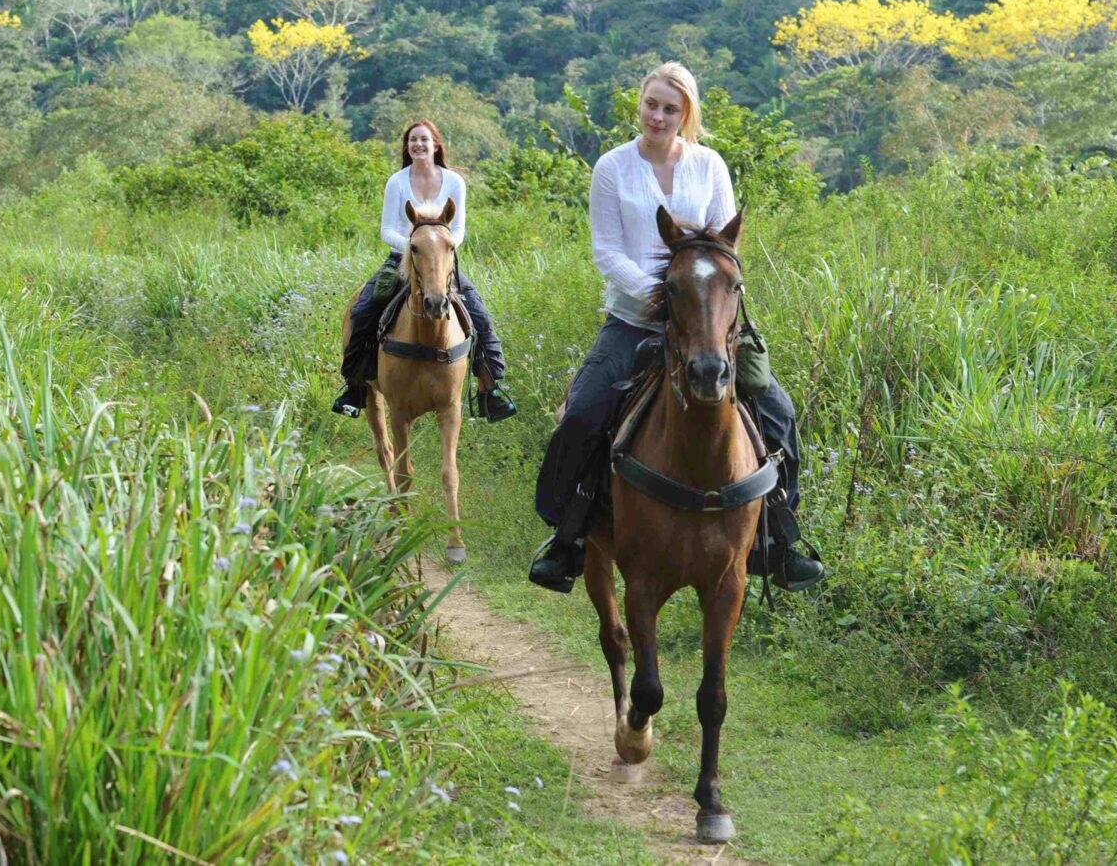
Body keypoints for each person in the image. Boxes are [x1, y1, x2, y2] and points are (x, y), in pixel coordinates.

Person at [527, 62, 826, 594]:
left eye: (671, 108)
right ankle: (566, 536)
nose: (658, 116)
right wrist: (656, 294)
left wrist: (699, 300)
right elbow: (606, 250)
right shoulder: (612, 167)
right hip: (633, 318)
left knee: (777, 409)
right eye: (652, 105)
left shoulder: (709, 165)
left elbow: (723, 247)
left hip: (707, 319)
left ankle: (780, 537)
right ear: (638, 104)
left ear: (687, 114)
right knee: (583, 412)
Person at [333, 120, 517, 423]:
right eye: (412, 140)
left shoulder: (454, 181)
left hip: (442, 261)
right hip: (402, 259)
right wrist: (413, 244)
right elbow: (386, 229)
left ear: (436, 145)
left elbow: (457, 231)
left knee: (480, 315)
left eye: (424, 140)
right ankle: (354, 387)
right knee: (364, 309)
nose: (418, 145)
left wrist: (437, 245)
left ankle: (490, 389)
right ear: (407, 147)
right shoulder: (397, 181)